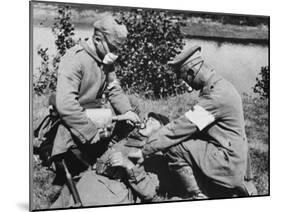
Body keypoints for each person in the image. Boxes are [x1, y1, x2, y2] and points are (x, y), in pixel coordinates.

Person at [130, 45, 257, 199]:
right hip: (235, 157)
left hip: (229, 163)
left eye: (184, 79)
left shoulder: (216, 97)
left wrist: (145, 150)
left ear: (191, 72)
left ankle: (198, 196)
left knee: (175, 146)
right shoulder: (220, 85)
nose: (187, 85)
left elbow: (179, 128)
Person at [50, 14, 140, 182]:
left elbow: (114, 89)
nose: (116, 53)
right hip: (77, 118)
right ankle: (88, 160)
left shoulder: (105, 59)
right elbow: (67, 106)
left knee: (133, 106)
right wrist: (90, 133)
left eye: (118, 49)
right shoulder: (74, 59)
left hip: (96, 113)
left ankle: (111, 152)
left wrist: (127, 111)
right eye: (113, 48)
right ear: (98, 39)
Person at [50, 112, 171, 208]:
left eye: (152, 122)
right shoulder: (128, 138)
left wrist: (129, 165)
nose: (146, 121)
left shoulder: (156, 155)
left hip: (108, 193)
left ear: (160, 133)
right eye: (147, 118)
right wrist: (119, 118)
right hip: (86, 181)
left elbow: (149, 192)